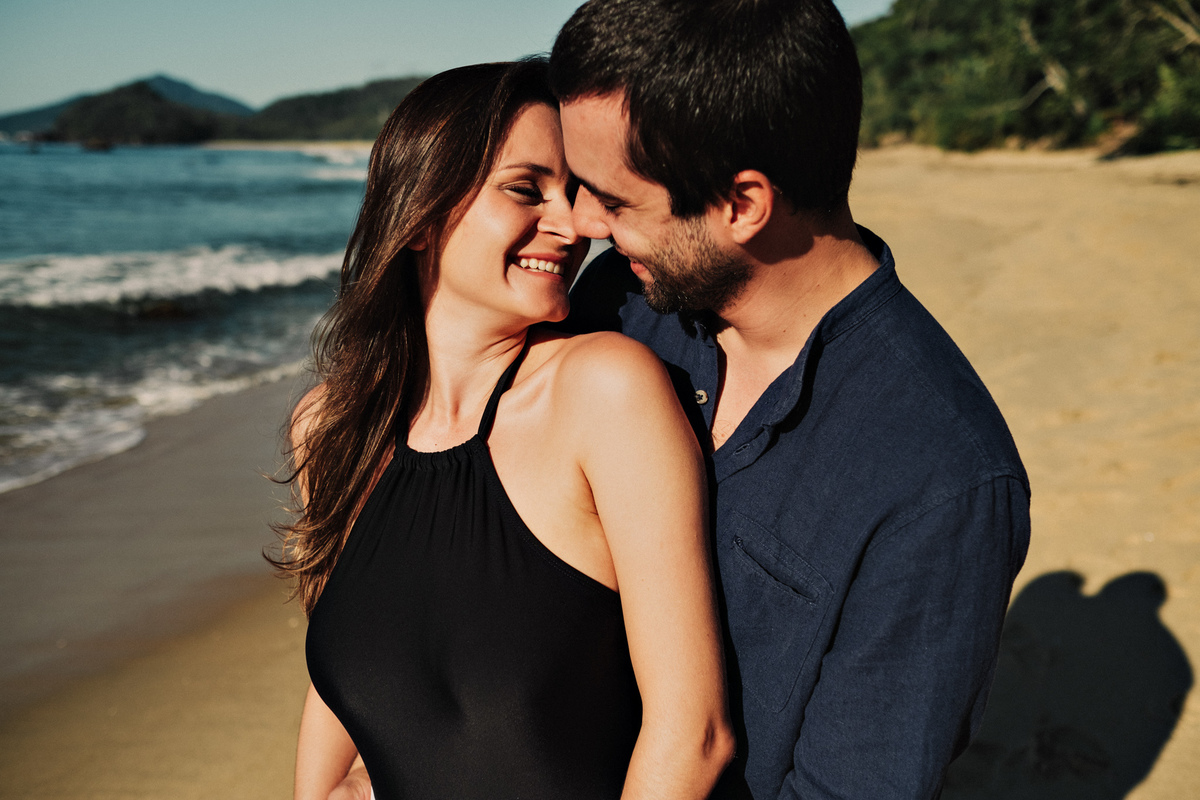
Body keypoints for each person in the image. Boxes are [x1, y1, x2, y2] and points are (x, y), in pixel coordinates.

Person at [549, 1, 1032, 798]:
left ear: (743, 205)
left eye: (615, 201)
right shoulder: (624, 304)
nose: (579, 221)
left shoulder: (941, 481)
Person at [271, 59, 734, 800]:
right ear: (419, 215)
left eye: (575, 191)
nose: (574, 223)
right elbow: (341, 689)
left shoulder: (603, 393)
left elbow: (695, 734)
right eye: (527, 189)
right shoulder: (330, 427)